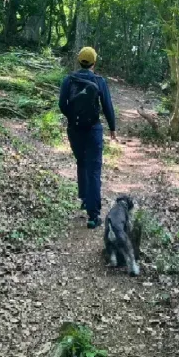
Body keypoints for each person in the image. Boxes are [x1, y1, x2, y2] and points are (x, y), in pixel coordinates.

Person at [59, 45, 116, 228]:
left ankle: (84, 198)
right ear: (94, 62)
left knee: (81, 162)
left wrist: (73, 118)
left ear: (79, 61)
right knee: (94, 169)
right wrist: (112, 128)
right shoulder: (99, 81)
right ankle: (93, 215)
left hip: (74, 130)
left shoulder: (69, 80)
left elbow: (62, 104)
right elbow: (107, 106)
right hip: (93, 130)